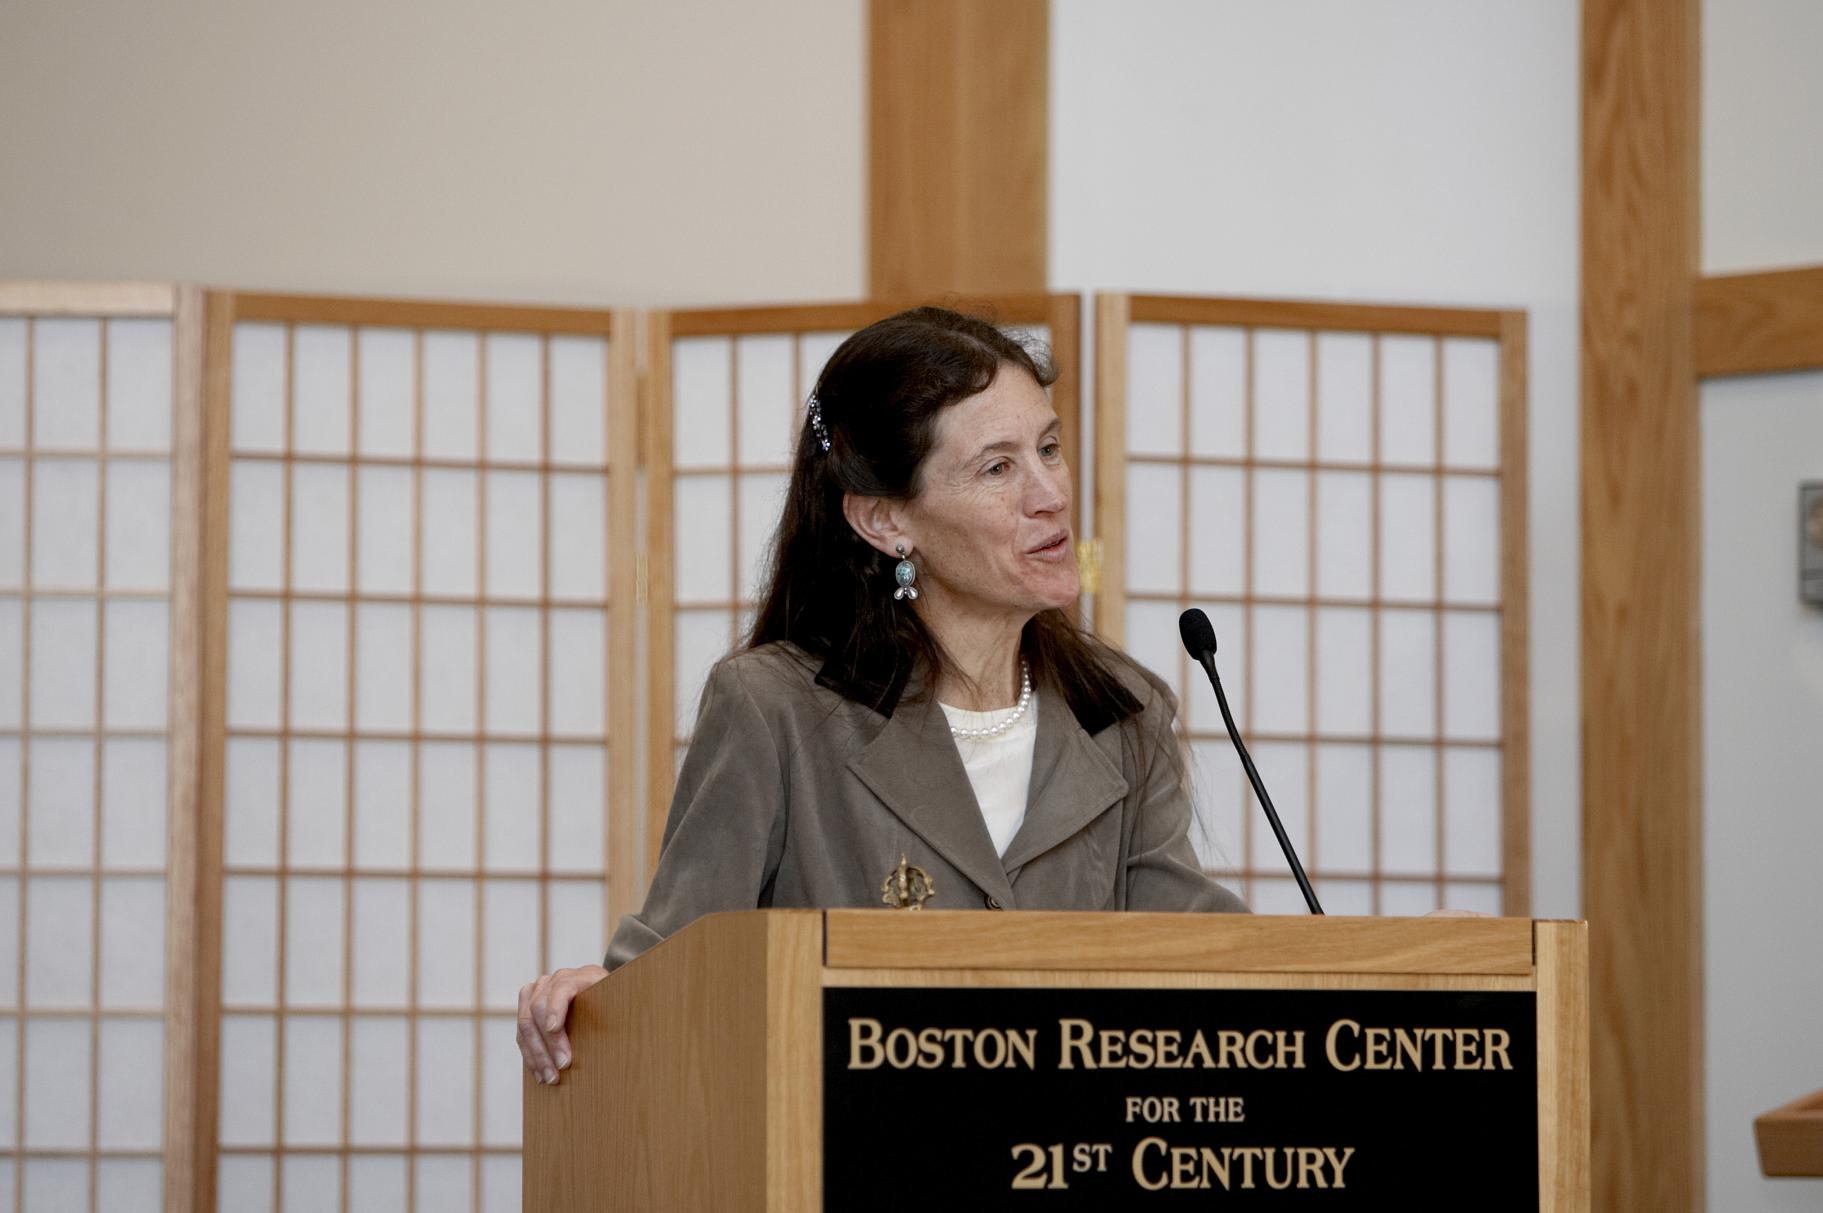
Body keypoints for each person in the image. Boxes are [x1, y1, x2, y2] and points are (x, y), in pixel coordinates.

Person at [516, 306, 1246, 1086]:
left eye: (1049, 449)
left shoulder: (1121, 712)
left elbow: (1193, 959)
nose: (1050, 496)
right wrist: (593, 1002)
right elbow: (671, 977)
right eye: (998, 468)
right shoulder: (776, 708)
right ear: (884, 520)